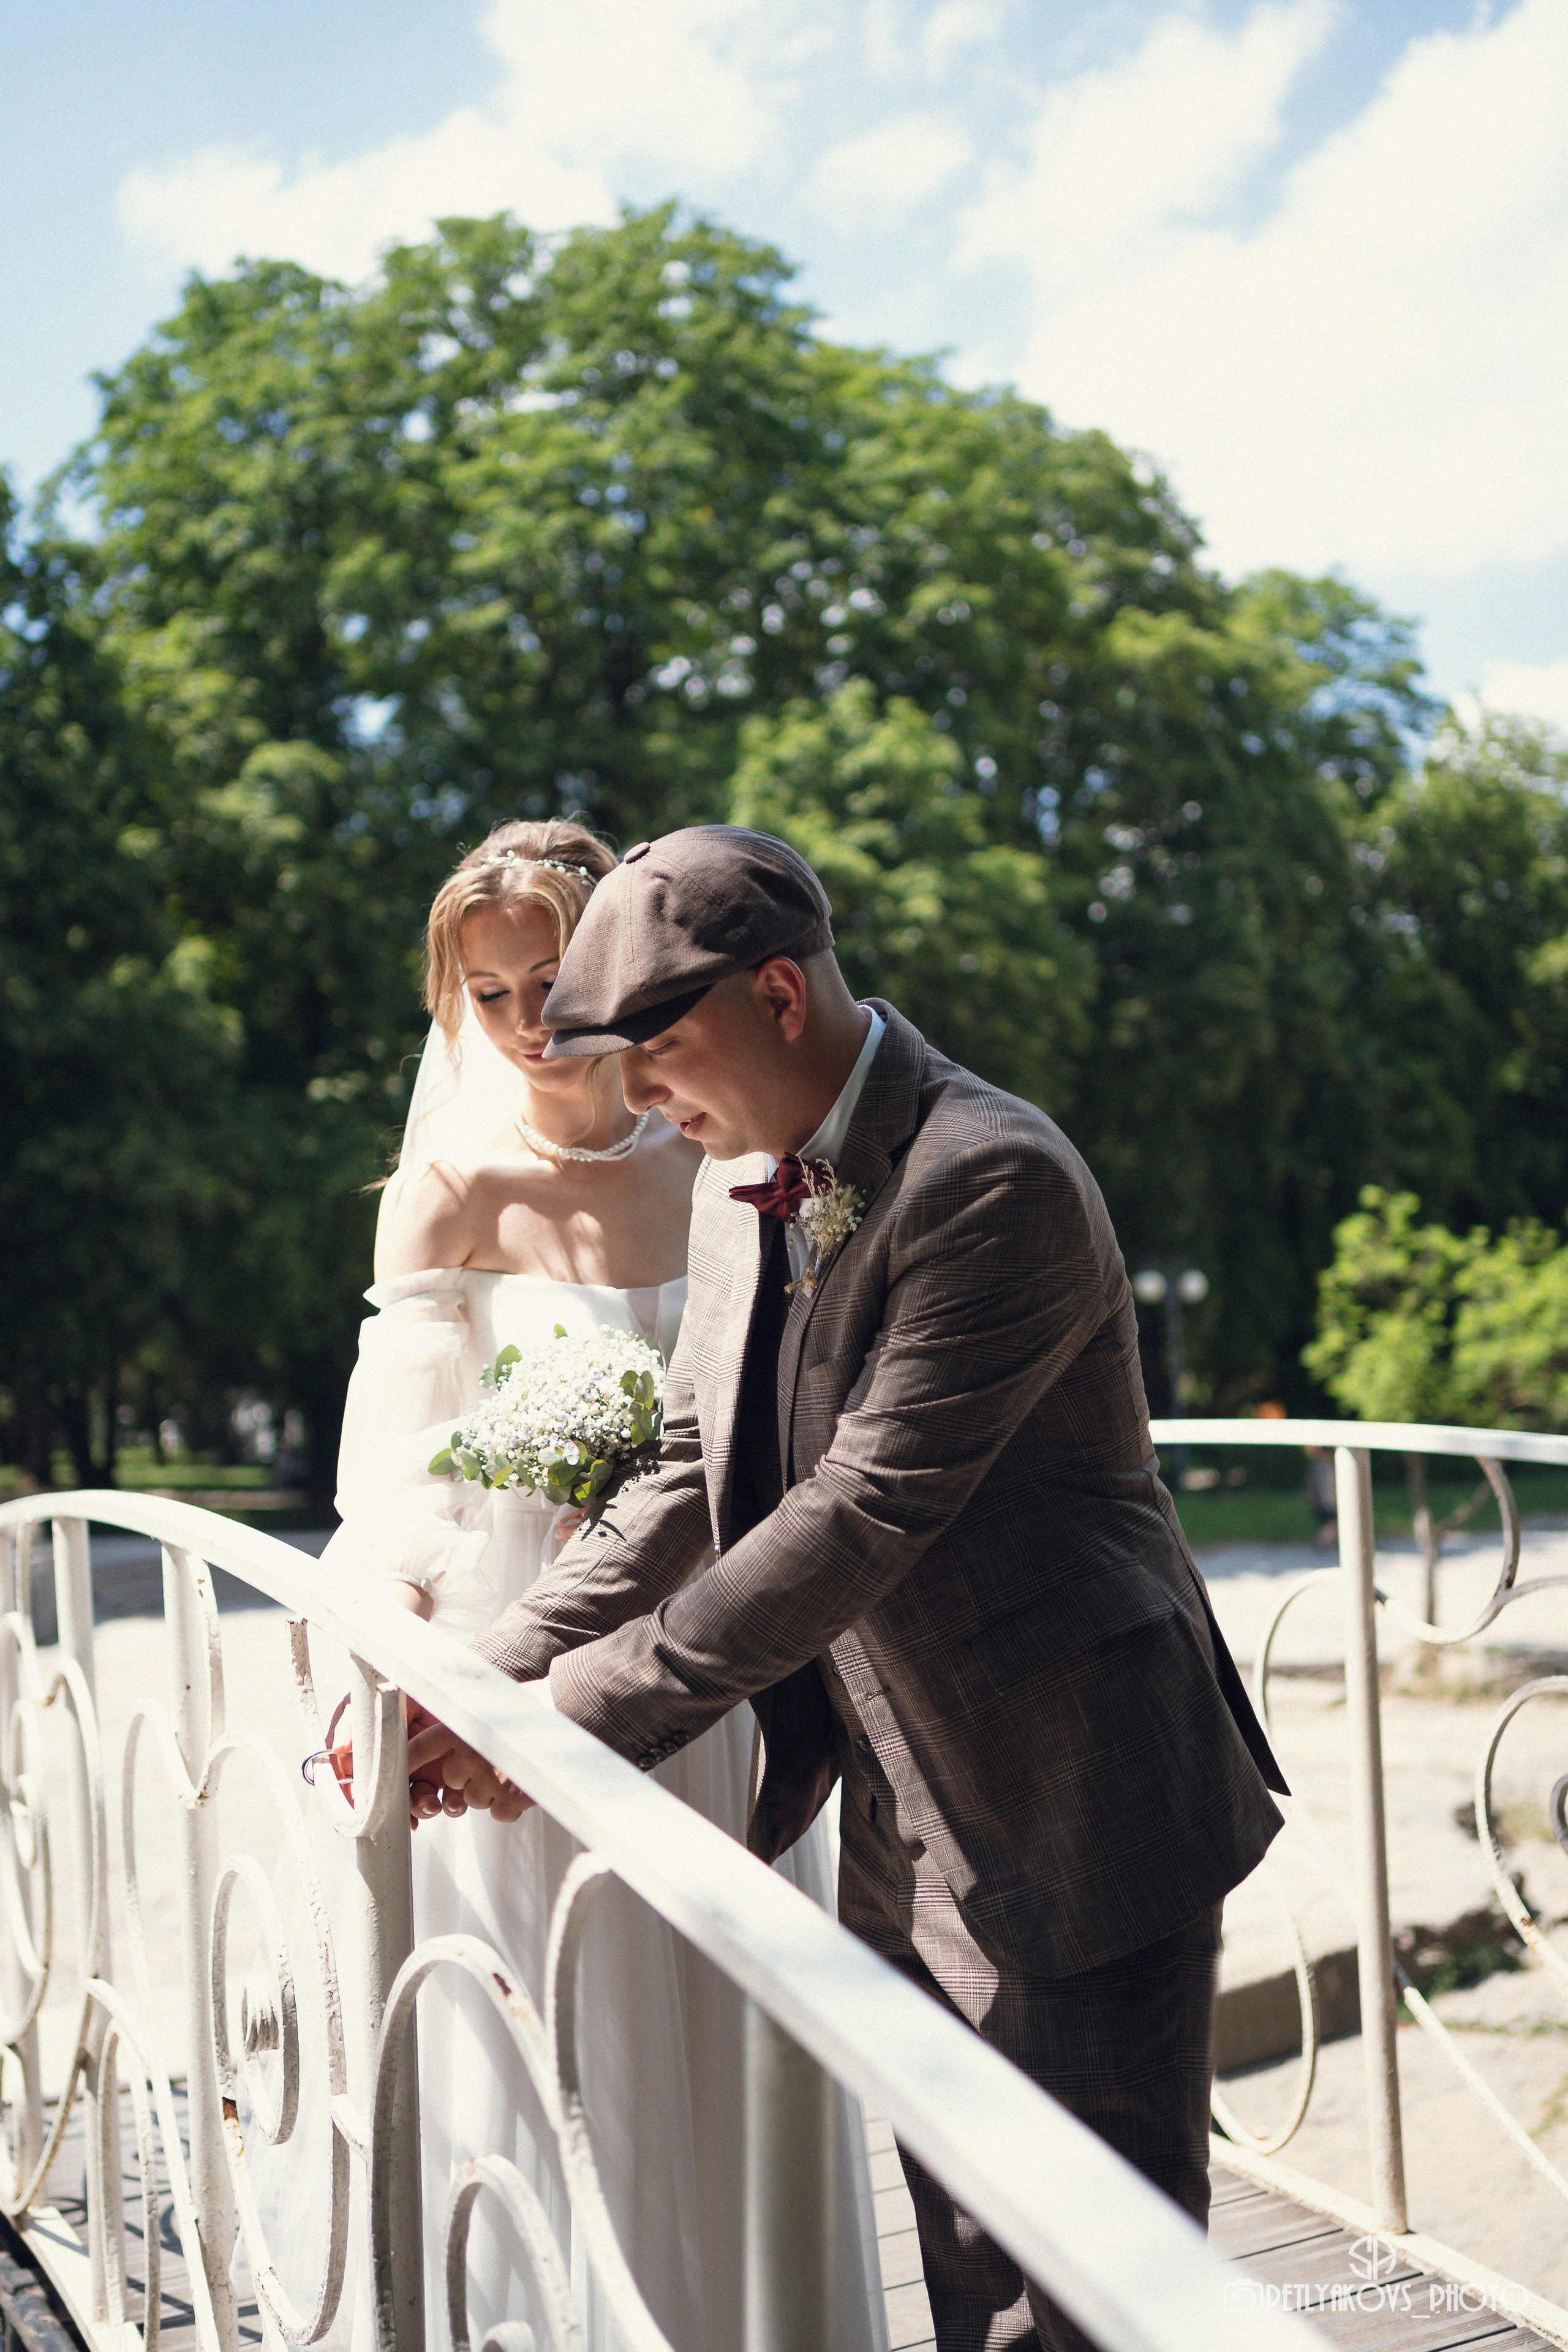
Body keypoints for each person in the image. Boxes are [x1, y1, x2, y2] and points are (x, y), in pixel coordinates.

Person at [413, 824, 1289, 2352]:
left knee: (1088, 2298)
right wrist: (482, 1673)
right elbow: (684, 1475)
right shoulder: (733, 1173)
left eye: (658, 1049)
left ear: (777, 993)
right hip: (893, 1808)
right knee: (968, 2271)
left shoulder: (990, 1175)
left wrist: (562, 1720)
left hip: (1071, 1797)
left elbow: (859, 1512)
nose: (637, 1098)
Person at [293, 820, 887, 2352]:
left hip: (706, 1638)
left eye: (549, 979)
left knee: (718, 2007)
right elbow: (396, 1483)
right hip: (510, 1649)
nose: (521, 1022)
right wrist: (411, 1654)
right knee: (545, 2024)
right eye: (484, 992)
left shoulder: (725, 1152)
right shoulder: (444, 1188)